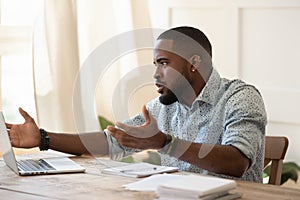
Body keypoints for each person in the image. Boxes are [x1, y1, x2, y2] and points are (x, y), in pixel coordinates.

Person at [6, 26, 267, 183]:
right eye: (155, 64)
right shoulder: (163, 108)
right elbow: (110, 141)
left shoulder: (240, 97)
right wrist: (42, 138)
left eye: (163, 63)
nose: (155, 74)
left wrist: (165, 143)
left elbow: (237, 162)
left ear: (194, 63)